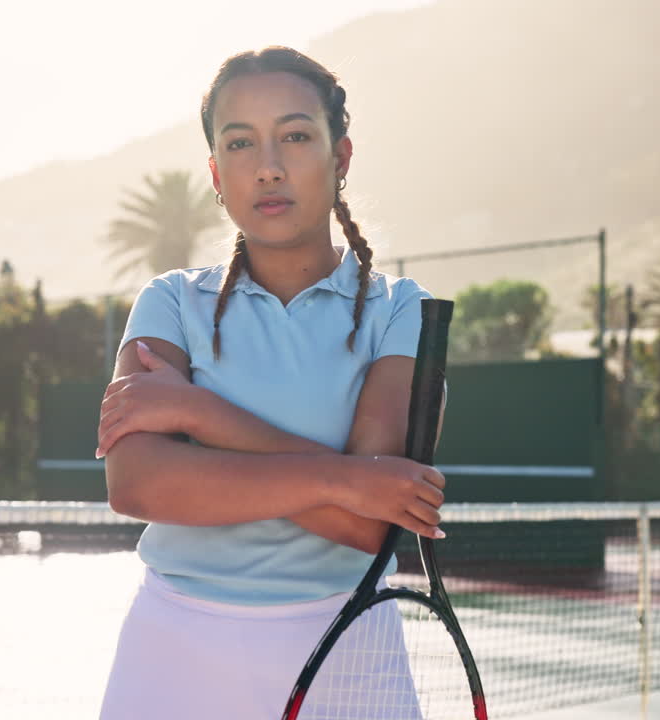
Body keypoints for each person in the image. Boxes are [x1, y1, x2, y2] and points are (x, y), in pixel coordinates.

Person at [93, 46, 447, 718]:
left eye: (295, 136)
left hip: (354, 653)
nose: (269, 166)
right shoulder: (168, 304)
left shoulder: (403, 311)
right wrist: (346, 476)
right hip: (172, 657)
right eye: (241, 143)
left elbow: (371, 525)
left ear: (339, 159)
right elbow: (139, 485)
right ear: (217, 174)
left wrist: (202, 414)